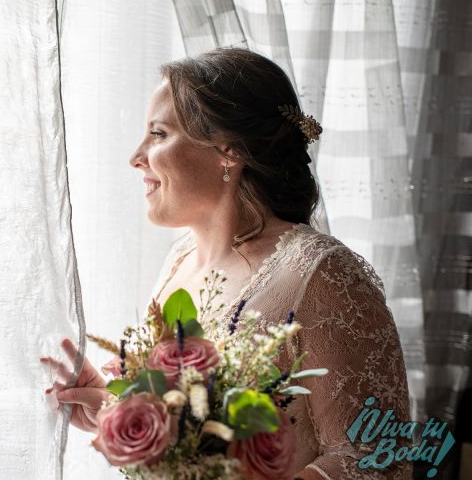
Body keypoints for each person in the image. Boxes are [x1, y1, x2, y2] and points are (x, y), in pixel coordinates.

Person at [40, 48, 412, 479]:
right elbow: (193, 439)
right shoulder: (178, 261)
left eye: (158, 134)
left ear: (228, 152)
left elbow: (376, 457)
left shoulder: (323, 275)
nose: (136, 156)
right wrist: (118, 409)